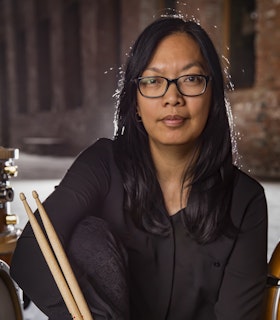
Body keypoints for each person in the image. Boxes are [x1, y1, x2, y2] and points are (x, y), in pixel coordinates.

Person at [11, 15, 267, 320]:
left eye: (191, 79)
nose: (173, 98)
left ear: (212, 97)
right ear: (135, 101)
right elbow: (31, 250)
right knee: (85, 236)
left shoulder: (245, 200)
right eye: (154, 81)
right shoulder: (103, 164)